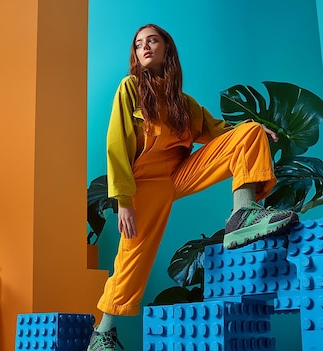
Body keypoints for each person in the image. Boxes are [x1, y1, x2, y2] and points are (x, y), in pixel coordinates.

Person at [87, 24, 299, 351]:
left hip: (181, 173)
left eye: (152, 41)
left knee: (249, 132)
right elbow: (116, 145)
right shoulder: (129, 88)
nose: (144, 47)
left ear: (166, 49)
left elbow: (220, 134)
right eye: (139, 43)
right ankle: (103, 334)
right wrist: (124, 201)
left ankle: (243, 215)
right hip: (145, 183)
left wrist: (254, 133)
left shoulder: (183, 103)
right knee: (132, 259)